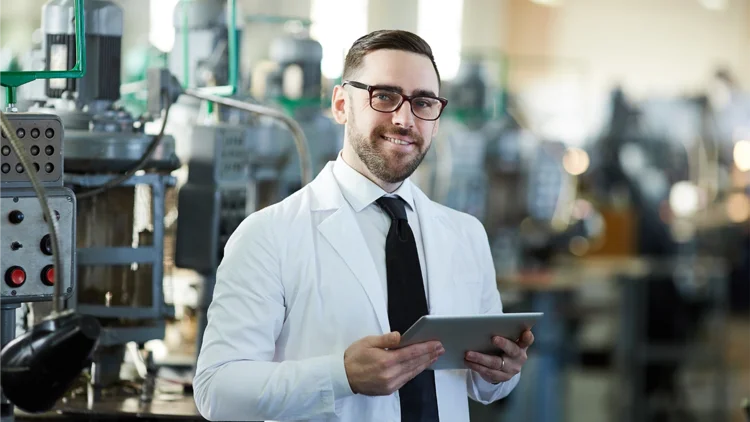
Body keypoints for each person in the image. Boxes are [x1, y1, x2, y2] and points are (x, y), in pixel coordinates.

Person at [193, 29, 535, 422]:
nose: (404, 119)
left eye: (422, 102)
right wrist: (340, 376)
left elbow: (486, 386)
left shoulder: (466, 234)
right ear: (341, 104)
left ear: (437, 119)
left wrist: (501, 372)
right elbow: (217, 391)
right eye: (385, 96)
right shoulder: (269, 235)